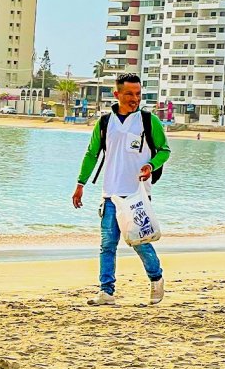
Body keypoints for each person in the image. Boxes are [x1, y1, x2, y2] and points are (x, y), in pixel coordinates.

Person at [72, 73, 170, 305]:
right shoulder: (105, 123)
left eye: (138, 94)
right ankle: (106, 291)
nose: (134, 98)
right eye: (129, 94)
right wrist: (80, 184)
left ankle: (156, 278)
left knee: (139, 241)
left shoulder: (148, 121)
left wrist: (150, 165)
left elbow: (164, 150)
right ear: (117, 94)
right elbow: (91, 154)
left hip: (137, 194)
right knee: (107, 245)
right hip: (110, 194)